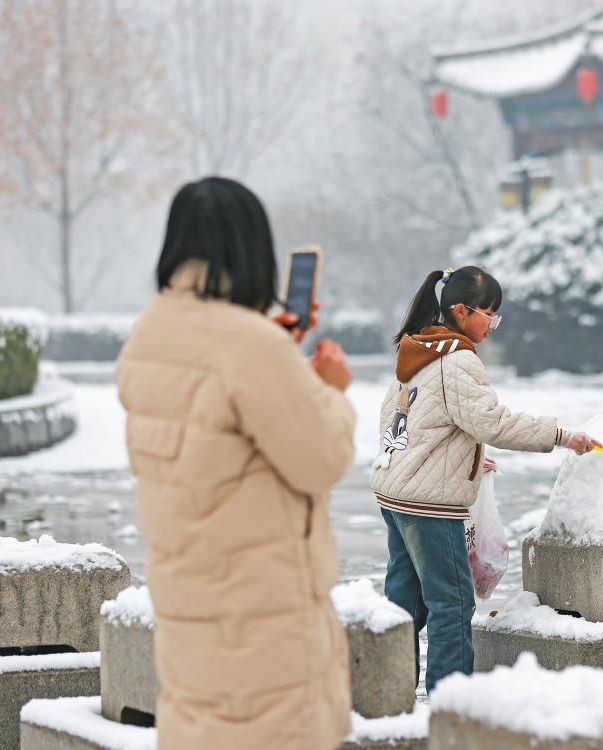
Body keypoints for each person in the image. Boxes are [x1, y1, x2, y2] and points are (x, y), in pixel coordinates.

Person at [117, 177, 355, 749]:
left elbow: (216, 404)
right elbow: (323, 457)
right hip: (263, 628)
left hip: (190, 619)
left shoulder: (150, 332)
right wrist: (329, 388)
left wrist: (274, 355)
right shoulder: (251, 348)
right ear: (252, 249)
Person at [371, 266, 598, 694]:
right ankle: (450, 705)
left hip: (396, 495)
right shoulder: (457, 360)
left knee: (404, 604)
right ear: (461, 310)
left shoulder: (420, 348)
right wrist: (561, 435)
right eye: (489, 314)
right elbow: (493, 422)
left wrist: (467, 457)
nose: (492, 325)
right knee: (451, 606)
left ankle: (386, 696)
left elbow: (407, 420)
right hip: (429, 507)